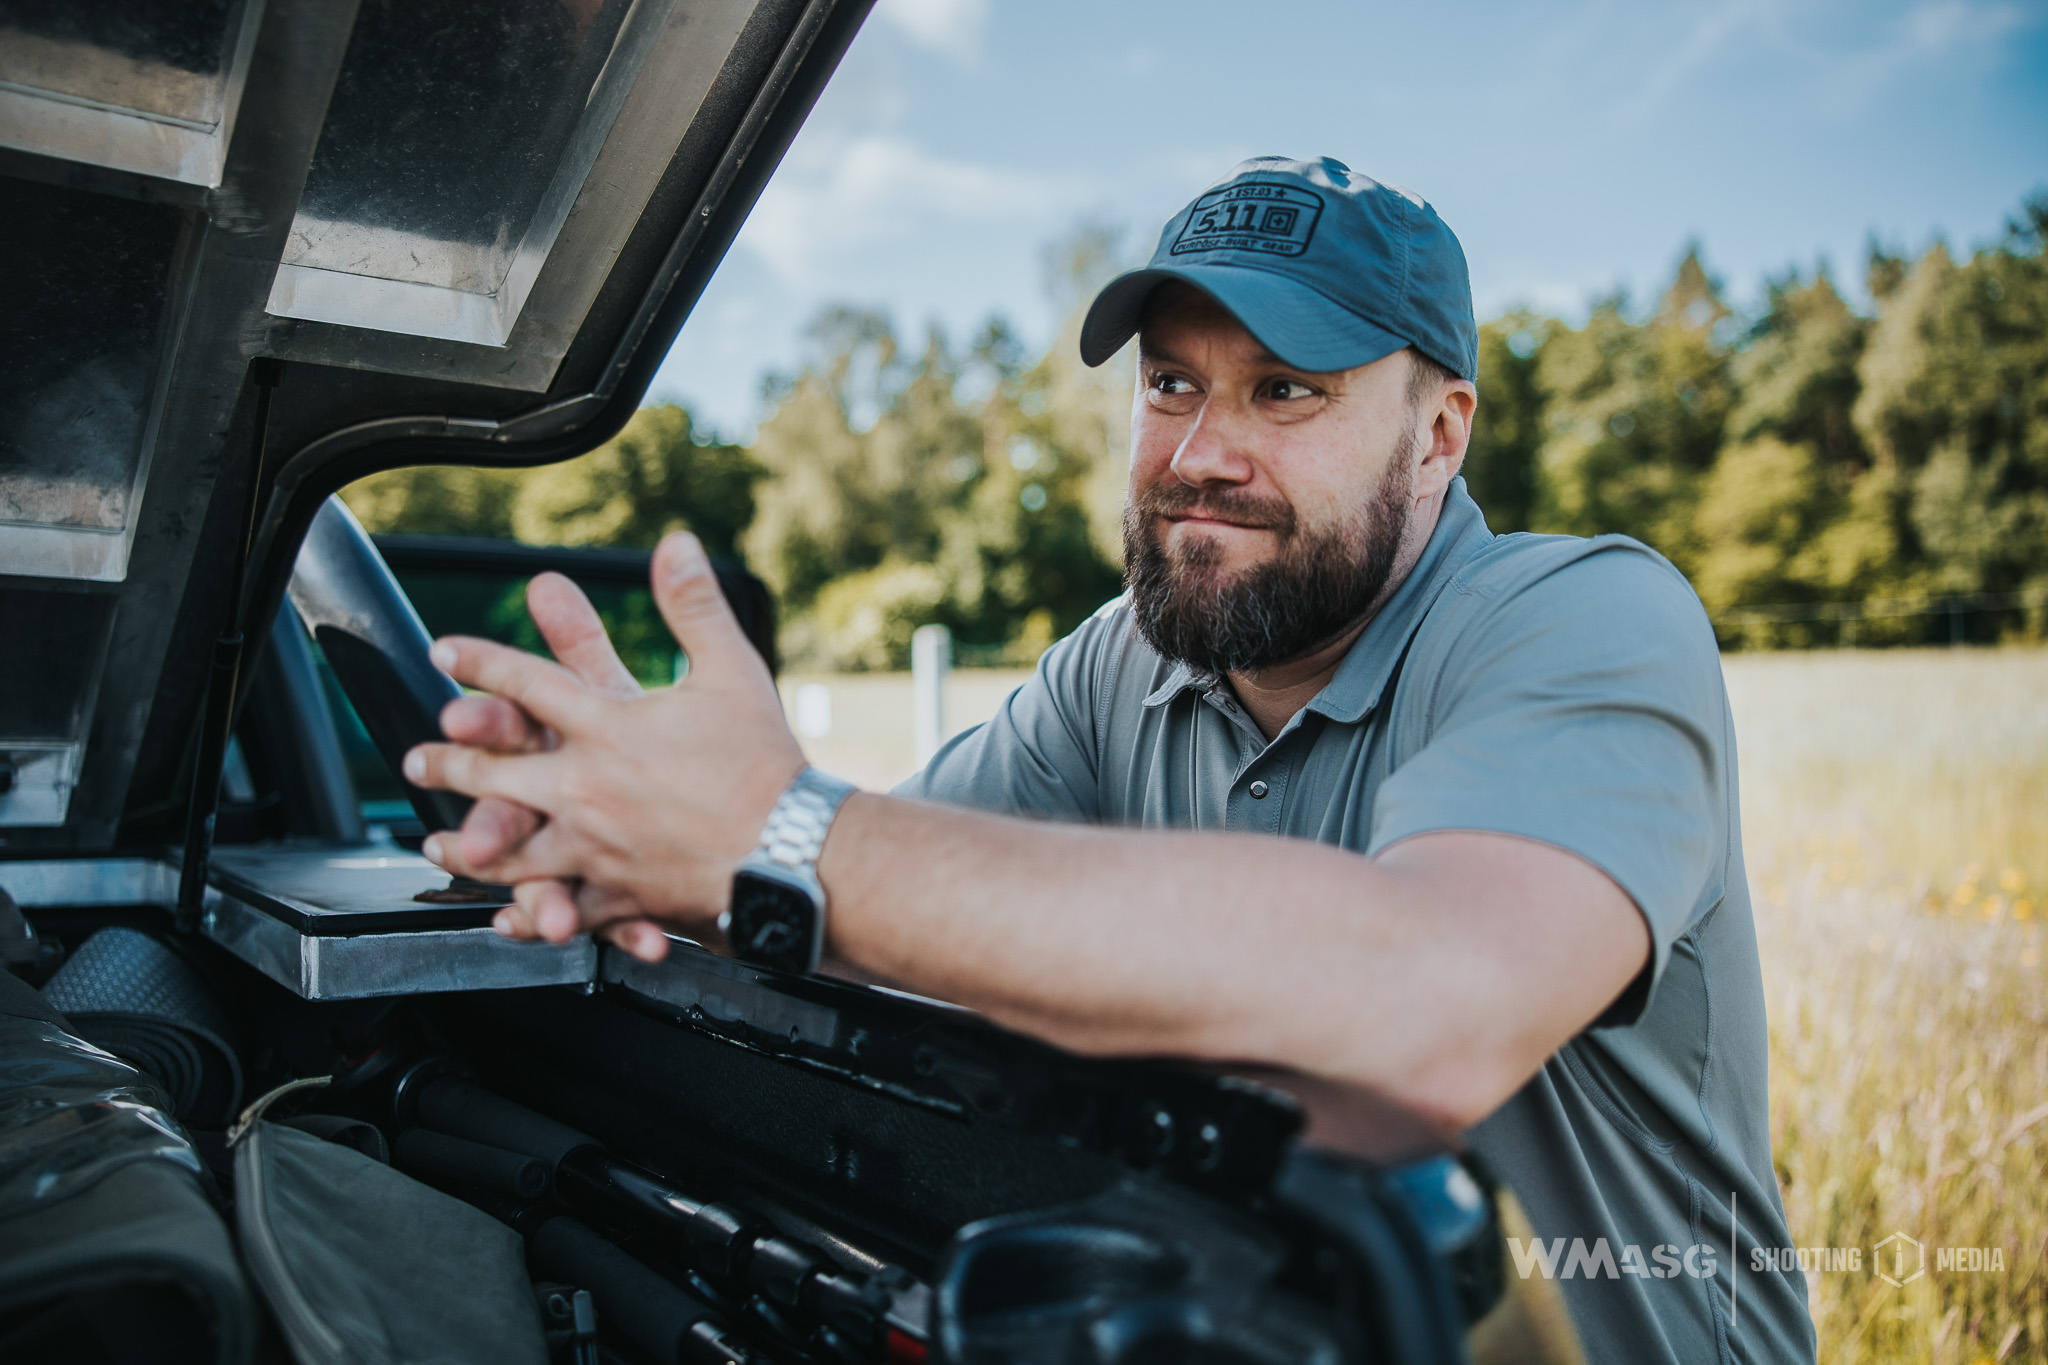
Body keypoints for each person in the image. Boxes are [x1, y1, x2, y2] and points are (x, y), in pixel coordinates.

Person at [404, 157, 1815, 1364]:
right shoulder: (1122, 666)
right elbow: (869, 915)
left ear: (1439, 432)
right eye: (1170, 384)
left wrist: (783, 835)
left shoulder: (1583, 620)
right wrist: (618, 829)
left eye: (1285, 391)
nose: (1200, 450)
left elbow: (1427, 1005)